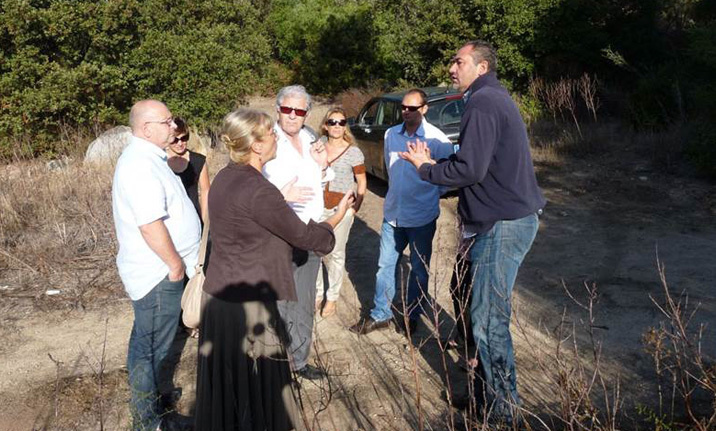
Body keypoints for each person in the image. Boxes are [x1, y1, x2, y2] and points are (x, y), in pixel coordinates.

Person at [400, 40, 546, 422]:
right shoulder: (491, 98)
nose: (451, 67)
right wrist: (437, 162)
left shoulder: (483, 101)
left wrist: (425, 169)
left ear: (480, 67)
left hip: (502, 224)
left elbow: (470, 170)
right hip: (498, 222)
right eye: (452, 61)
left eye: (459, 61)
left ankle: (503, 412)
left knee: (487, 321)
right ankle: (485, 399)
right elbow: (475, 161)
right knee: (473, 309)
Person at [194, 108, 354, 431]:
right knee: (261, 389)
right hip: (249, 307)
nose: (275, 137)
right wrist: (336, 216)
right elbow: (308, 238)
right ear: (255, 145)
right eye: (270, 133)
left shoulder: (226, 176)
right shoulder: (260, 190)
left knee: (230, 390)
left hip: (220, 300)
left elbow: (248, 221)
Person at [112, 99, 201, 431]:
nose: (174, 127)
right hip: (158, 275)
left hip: (160, 272)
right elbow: (150, 224)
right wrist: (175, 265)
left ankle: (156, 404)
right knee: (150, 349)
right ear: (147, 128)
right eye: (167, 122)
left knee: (148, 345)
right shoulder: (139, 165)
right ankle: (150, 422)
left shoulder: (151, 159)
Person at [349, 89, 454, 337]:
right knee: (385, 265)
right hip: (393, 214)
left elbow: (448, 176)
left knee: (418, 268)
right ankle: (380, 314)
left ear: (424, 109)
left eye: (412, 108)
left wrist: (429, 195)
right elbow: (391, 170)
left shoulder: (438, 140)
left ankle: (413, 315)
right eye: (403, 108)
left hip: (421, 216)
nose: (406, 112)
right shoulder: (390, 135)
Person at [262, 85, 333, 380]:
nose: (293, 116)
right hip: (279, 234)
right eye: (287, 109)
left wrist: (323, 165)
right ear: (277, 109)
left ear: (307, 114)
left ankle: (299, 362)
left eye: (300, 111)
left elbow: (323, 179)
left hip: (310, 232)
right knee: (280, 303)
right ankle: (277, 366)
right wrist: (280, 196)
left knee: (303, 302)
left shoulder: (311, 138)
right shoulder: (265, 140)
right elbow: (250, 188)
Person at [314, 107, 367, 318]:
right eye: (332, 122)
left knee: (336, 253)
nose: (337, 126)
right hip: (318, 206)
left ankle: (332, 297)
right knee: (314, 251)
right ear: (326, 125)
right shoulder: (317, 147)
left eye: (341, 122)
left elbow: (362, 182)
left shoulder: (353, 151)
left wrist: (355, 207)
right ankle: (317, 292)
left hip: (342, 207)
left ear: (345, 126)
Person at [166, 117, 210, 225]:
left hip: (194, 220)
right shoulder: (159, 161)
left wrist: (204, 223)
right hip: (169, 221)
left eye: (184, 138)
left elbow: (205, 191)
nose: (180, 143)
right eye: (175, 140)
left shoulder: (198, 161)